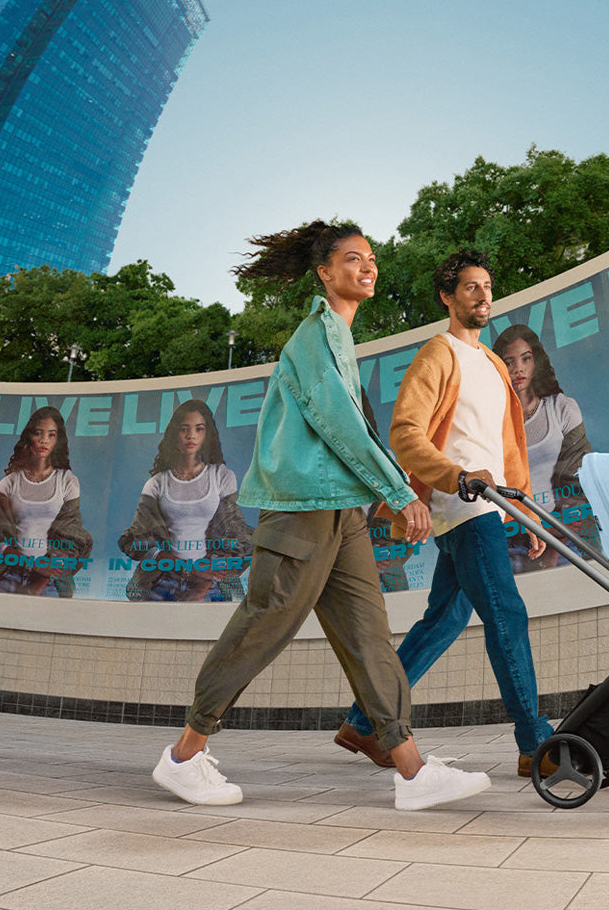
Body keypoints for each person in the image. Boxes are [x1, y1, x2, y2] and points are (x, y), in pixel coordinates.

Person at [151, 221, 490, 812]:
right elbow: (338, 422)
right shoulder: (314, 336)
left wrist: (384, 491)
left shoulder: (341, 339)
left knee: (368, 635)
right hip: (302, 512)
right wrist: (396, 487)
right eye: (353, 259)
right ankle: (184, 756)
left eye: (372, 259)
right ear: (325, 273)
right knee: (264, 626)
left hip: (343, 514)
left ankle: (411, 771)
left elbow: (352, 432)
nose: (368, 267)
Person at [335, 250, 555, 779]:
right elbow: (406, 433)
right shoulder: (438, 355)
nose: (482, 296)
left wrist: (527, 511)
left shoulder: (495, 364)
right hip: (465, 505)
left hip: (493, 509)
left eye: (487, 286)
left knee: (445, 618)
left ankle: (366, 720)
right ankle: (535, 742)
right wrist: (456, 478)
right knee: (506, 615)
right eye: (470, 288)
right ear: (448, 297)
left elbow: (508, 448)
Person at [119, 399, 253, 602]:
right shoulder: (157, 483)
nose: (191, 436)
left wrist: (203, 583)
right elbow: (133, 539)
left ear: (207, 434)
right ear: (174, 434)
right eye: (184, 429)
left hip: (211, 581)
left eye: (199, 429)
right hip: (162, 580)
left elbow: (237, 536)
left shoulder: (221, 476)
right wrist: (182, 567)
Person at [492, 323, 595, 571]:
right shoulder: (493, 422)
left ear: (535, 361)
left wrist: (558, 528)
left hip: (567, 528)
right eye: (509, 362)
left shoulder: (561, 408)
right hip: (514, 536)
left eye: (525, 359)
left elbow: (582, 473)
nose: (518, 369)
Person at [0, 406, 92, 597]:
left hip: (50, 576)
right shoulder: (10, 482)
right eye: (38, 433)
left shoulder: (67, 481)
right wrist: (26, 563)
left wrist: (39, 583)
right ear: (29, 437)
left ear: (57, 440)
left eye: (51, 435)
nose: (44, 440)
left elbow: (71, 537)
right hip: (8, 570)